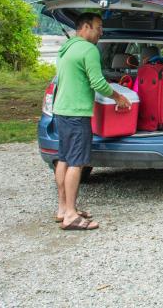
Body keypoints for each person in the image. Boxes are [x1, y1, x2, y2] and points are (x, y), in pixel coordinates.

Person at [53, 12, 131, 231]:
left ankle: (63, 208)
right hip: (77, 114)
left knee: (64, 158)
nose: (101, 32)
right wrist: (119, 97)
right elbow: (98, 82)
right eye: (98, 28)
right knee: (77, 163)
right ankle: (71, 215)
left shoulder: (66, 48)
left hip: (61, 110)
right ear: (85, 27)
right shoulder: (88, 50)